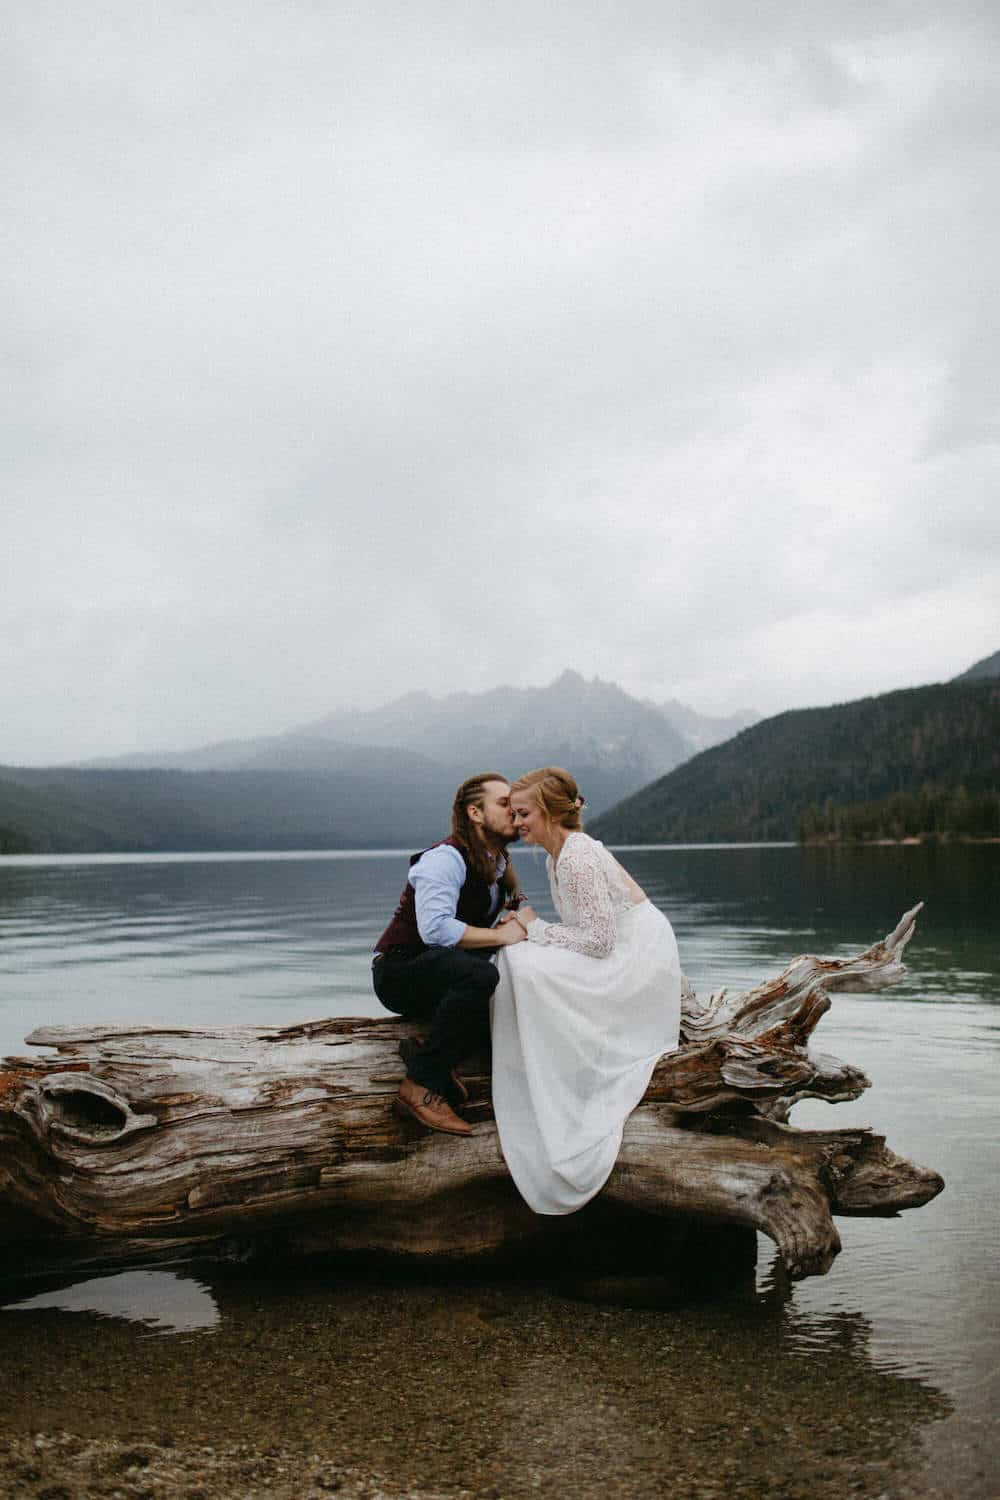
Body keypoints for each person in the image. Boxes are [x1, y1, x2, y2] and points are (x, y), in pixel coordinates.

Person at [490, 766, 681, 1214]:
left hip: (638, 961)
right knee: (517, 959)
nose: (517, 824)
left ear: (550, 812)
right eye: (515, 815)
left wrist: (533, 930)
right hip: (617, 950)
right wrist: (529, 928)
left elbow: (598, 941)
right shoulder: (558, 855)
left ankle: (550, 1068)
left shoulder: (576, 855)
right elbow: (588, 933)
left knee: (524, 963)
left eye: (523, 814)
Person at [372, 772, 527, 1137]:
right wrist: (500, 935)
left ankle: (432, 1052)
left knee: (516, 991)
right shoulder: (446, 859)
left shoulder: (497, 865)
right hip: (400, 973)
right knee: (483, 977)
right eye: (504, 804)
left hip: (442, 975)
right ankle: (420, 1086)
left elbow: (519, 914)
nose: (515, 811)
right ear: (475, 813)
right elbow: (436, 930)